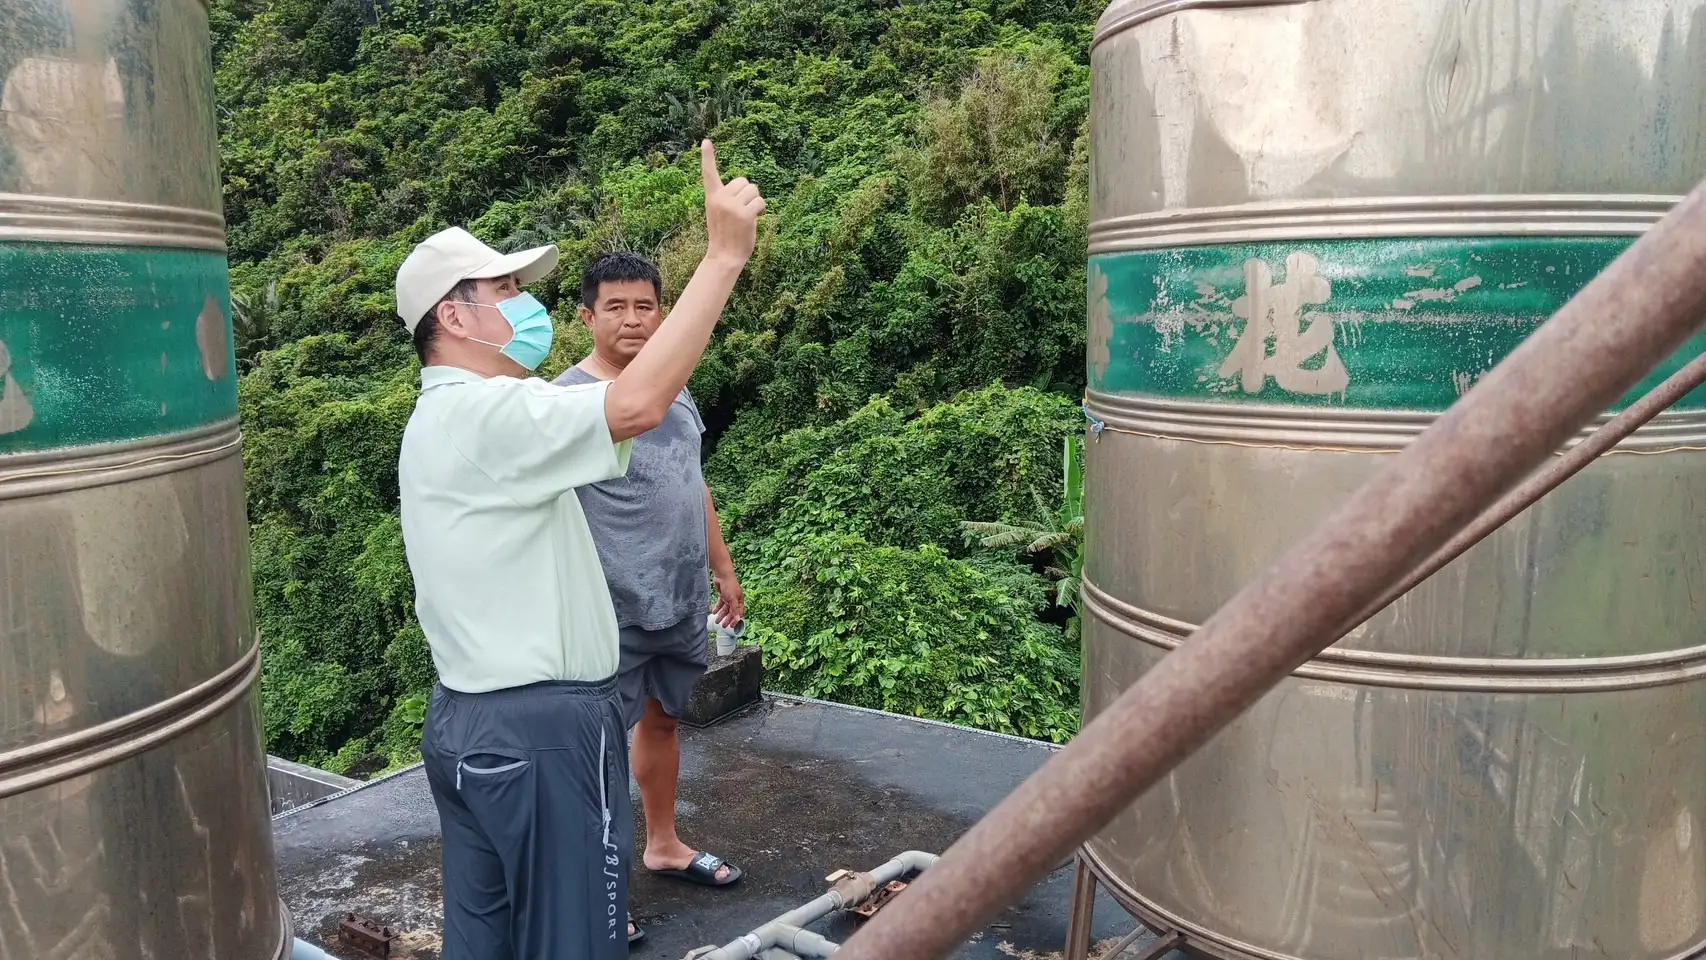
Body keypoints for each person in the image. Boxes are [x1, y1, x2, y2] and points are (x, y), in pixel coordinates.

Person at [394, 140, 763, 959]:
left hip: (473, 723)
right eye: (506, 292)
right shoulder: (489, 416)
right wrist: (724, 256)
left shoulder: (454, 418)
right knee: (575, 941)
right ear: (453, 316)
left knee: (487, 940)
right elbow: (631, 404)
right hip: (542, 732)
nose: (524, 306)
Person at [553, 252, 746, 931]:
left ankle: (662, 845)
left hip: (679, 596)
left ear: (662, 312)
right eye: (616, 307)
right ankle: (600, 892)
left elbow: (694, 481)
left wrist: (721, 567)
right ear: (587, 316)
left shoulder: (675, 385)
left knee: (663, 720)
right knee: (596, 752)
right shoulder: (565, 401)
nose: (633, 319)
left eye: (645, 306)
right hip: (608, 610)